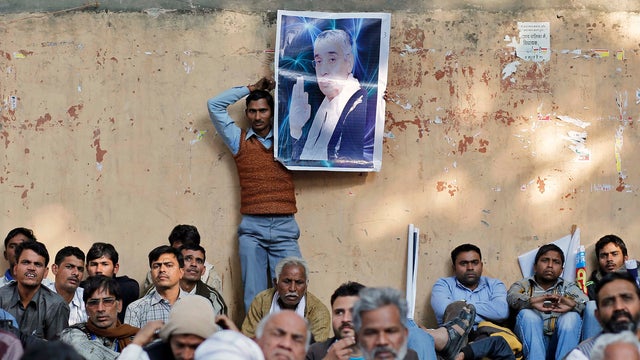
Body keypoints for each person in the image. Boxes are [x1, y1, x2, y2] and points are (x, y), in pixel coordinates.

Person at [208, 77, 302, 312]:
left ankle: (289, 343)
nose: (257, 117)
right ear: (247, 113)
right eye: (252, 111)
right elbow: (214, 105)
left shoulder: (287, 140)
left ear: (272, 112)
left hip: (285, 227)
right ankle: (254, 346)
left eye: (263, 111)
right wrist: (252, 88)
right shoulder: (238, 140)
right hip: (252, 229)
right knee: (255, 298)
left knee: (293, 292)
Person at [288, 29, 367, 161]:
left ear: (349, 63)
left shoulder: (360, 104)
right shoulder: (321, 105)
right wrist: (296, 129)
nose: (323, 71)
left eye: (332, 59)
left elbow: (349, 163)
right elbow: (302, 162)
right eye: (318, 62)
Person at [431, 244, 517, 359]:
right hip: (453, 339)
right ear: (454, 267)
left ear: (481, 265)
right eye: (463, 263)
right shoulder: (443, 284)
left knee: (458, 309)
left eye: (475, 262)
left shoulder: (495, 284)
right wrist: (487, 311)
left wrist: (463, 308)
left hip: (486, 339)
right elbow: (445, 311)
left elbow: (501, 312)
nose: (470, 267)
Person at [507, 243, 588, 360]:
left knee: (571, 317)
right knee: (528, 314)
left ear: (561, 270)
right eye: (545, 260)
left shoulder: (567, 287)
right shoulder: (524, 285)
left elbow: (585, 302)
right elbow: (512, 297)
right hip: (532, 344)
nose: (550, 266)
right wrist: (531, 302)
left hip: (558, 342)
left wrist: (572, 304)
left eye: (556, 262)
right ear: (535, 266)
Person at [242, 256, 330, 343]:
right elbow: (248, 341)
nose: (292, 288)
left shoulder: (319, 311)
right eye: (287, 281)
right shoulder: (261, 301)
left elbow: (316, 351)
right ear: (276, 283)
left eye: (299, 283)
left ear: (306, 285)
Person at [0, 241, 69, 341]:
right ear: (15, 268)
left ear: (45, 272)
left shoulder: (56, 305)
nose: (31, 268)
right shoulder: (1, 296)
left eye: (37, 264)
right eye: (26, 262)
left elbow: (57, 351)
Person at [59, 275, 139, 359]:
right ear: (86, 309)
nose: (100, 309)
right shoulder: (73, 335)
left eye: (107, 301)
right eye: (93, 303)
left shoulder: (132, 337)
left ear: (119, 305)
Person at [564, 272, 640, 359]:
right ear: (598, 315)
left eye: (626, 298)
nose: (618, 307)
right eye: (608, 302)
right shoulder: (580, 356)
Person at [117, 295, 218, 360]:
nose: (186, 356)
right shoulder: (153, 355)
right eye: (180, 345)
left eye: (195, 347)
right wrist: (137, 343)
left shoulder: (220, 354)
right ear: (169, 340)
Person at [142, 225, 222, 294]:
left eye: (188, 256)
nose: (180, 256)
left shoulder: (211, 277)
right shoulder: (156, 273)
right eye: (177, 251)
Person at [583, 234, 635, 339]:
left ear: (625, 258)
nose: (609, 259)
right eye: (604, 255)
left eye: (614, 254)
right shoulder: (592, 286)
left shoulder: (636, 278)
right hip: (606, 334)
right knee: (591, 306)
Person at [124, 246, 186, 328]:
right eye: (156, 266)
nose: (162, 270)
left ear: (181, 272)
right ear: (151, 274)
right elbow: (131, 341)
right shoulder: (135, 309)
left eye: (169, 265)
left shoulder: (197, 305)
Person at [352, 287, 418, 360]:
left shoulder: (411, 357)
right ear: (357, 338)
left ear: (405, 335)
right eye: (371, 333)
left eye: (391, 331)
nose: (382, 341)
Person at [82, 242, 140, 322]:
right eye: (94, 264)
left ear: (115, 268)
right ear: (87, 268)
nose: (98, 270)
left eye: (104, 264)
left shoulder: (128, 287)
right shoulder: (80, 289)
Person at [178, 243, 227, 316]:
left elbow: (222, 326)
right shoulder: (160, 292)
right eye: (188, 259)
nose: (194, 264)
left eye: (199, 261)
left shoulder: (212, 298)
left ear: (203, 270)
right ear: (177, 265)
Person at [46, 246, 87, 326]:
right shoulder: (42, 296)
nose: (76, 273)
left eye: (80, 269)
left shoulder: (86, 297)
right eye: (69, 267)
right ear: (55, 269)